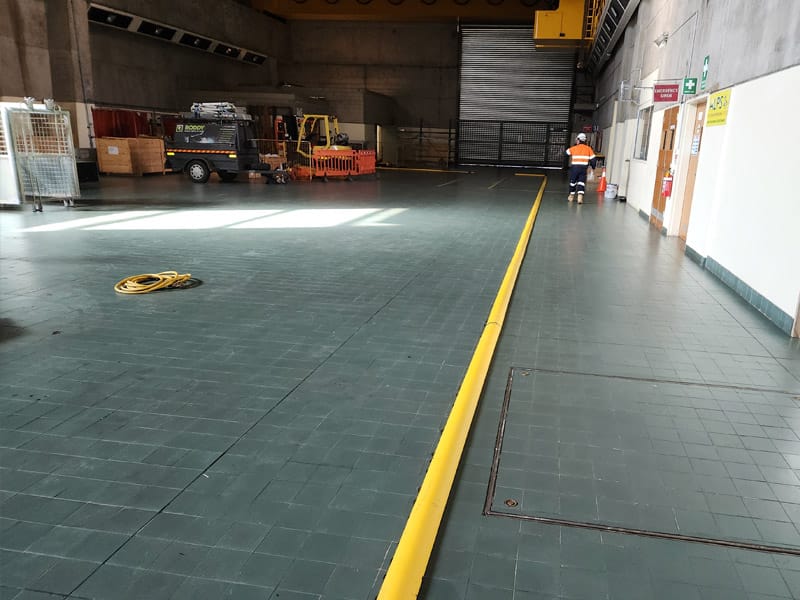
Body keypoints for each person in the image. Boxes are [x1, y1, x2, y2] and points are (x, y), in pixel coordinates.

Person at [565, 132, 597, 204]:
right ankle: (580, 198)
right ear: (585, 140)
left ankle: (571, 196)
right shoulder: (588, 149)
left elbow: (566, 153)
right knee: (581, 182)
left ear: (578, 140)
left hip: (574, 168)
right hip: (583, 169)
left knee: (573, 182)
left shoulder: (574, 148)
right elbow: (593, 160)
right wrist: (593, 167)